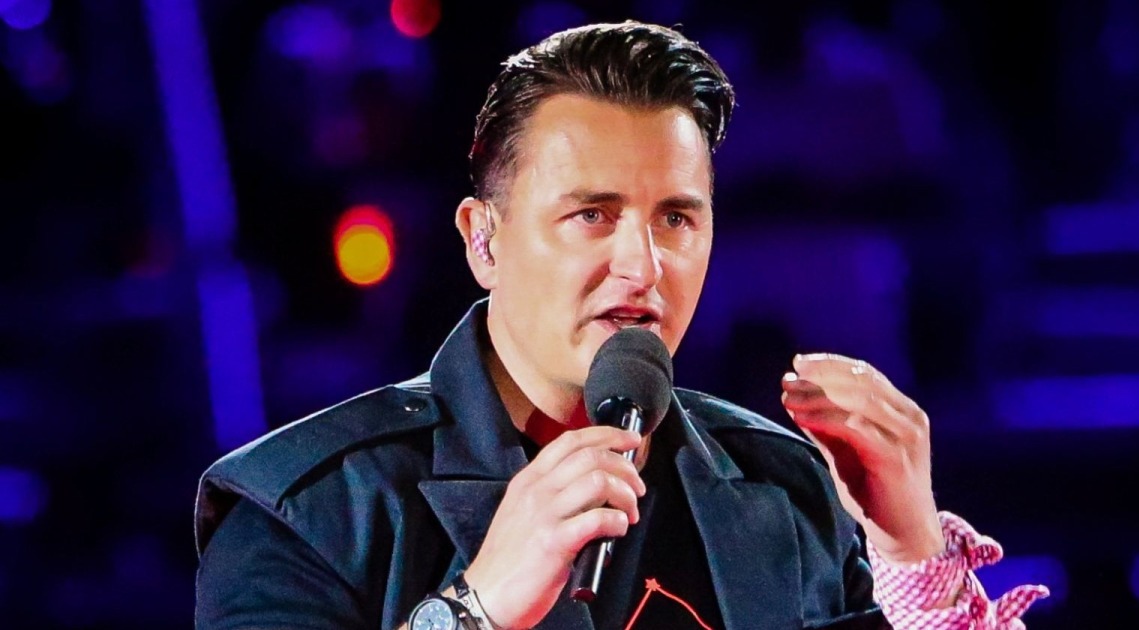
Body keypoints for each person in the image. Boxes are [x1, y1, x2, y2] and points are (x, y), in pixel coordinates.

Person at [194, 21, 1048, 630]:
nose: (643, 266)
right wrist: (472, 613)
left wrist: (908, 559)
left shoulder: (785, 493)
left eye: (676, 218)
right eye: (592, 216)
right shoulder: (305, 514)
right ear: (483, 241)